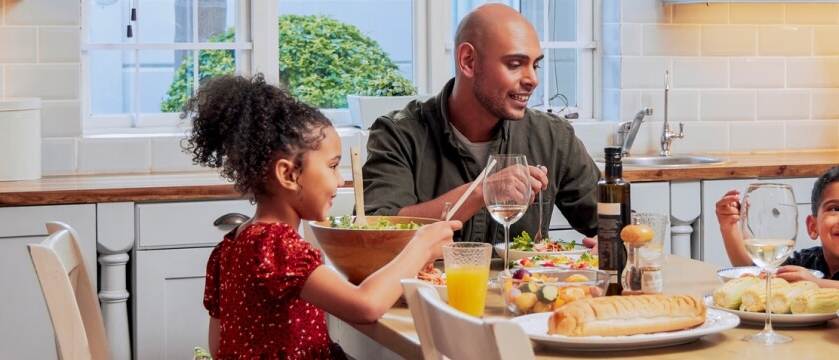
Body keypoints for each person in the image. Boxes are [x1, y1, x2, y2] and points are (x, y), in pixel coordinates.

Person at [185, 75, 462, 359]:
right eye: (332, 167)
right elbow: (365, 306)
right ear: (288, 174)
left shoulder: (231, 246)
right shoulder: (277, 246)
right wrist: (421, 246)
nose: (340, 181)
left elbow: (219, 348)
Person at [362, 3, 601, 243]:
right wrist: (482, 191)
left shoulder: (554, 137)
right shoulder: (398, 134)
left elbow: (616, 225)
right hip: (427, 282)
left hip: (525, 282)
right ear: (468, 61)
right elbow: (373, 232)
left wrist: (613, 244)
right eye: (515, 64)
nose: (533, 80)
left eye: (535, 65)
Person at [715, 164, 839, 304]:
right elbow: (757, 271)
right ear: (813, 226)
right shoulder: (808, 262)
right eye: (834, 208)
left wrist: (817, 285)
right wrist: (729, 227)